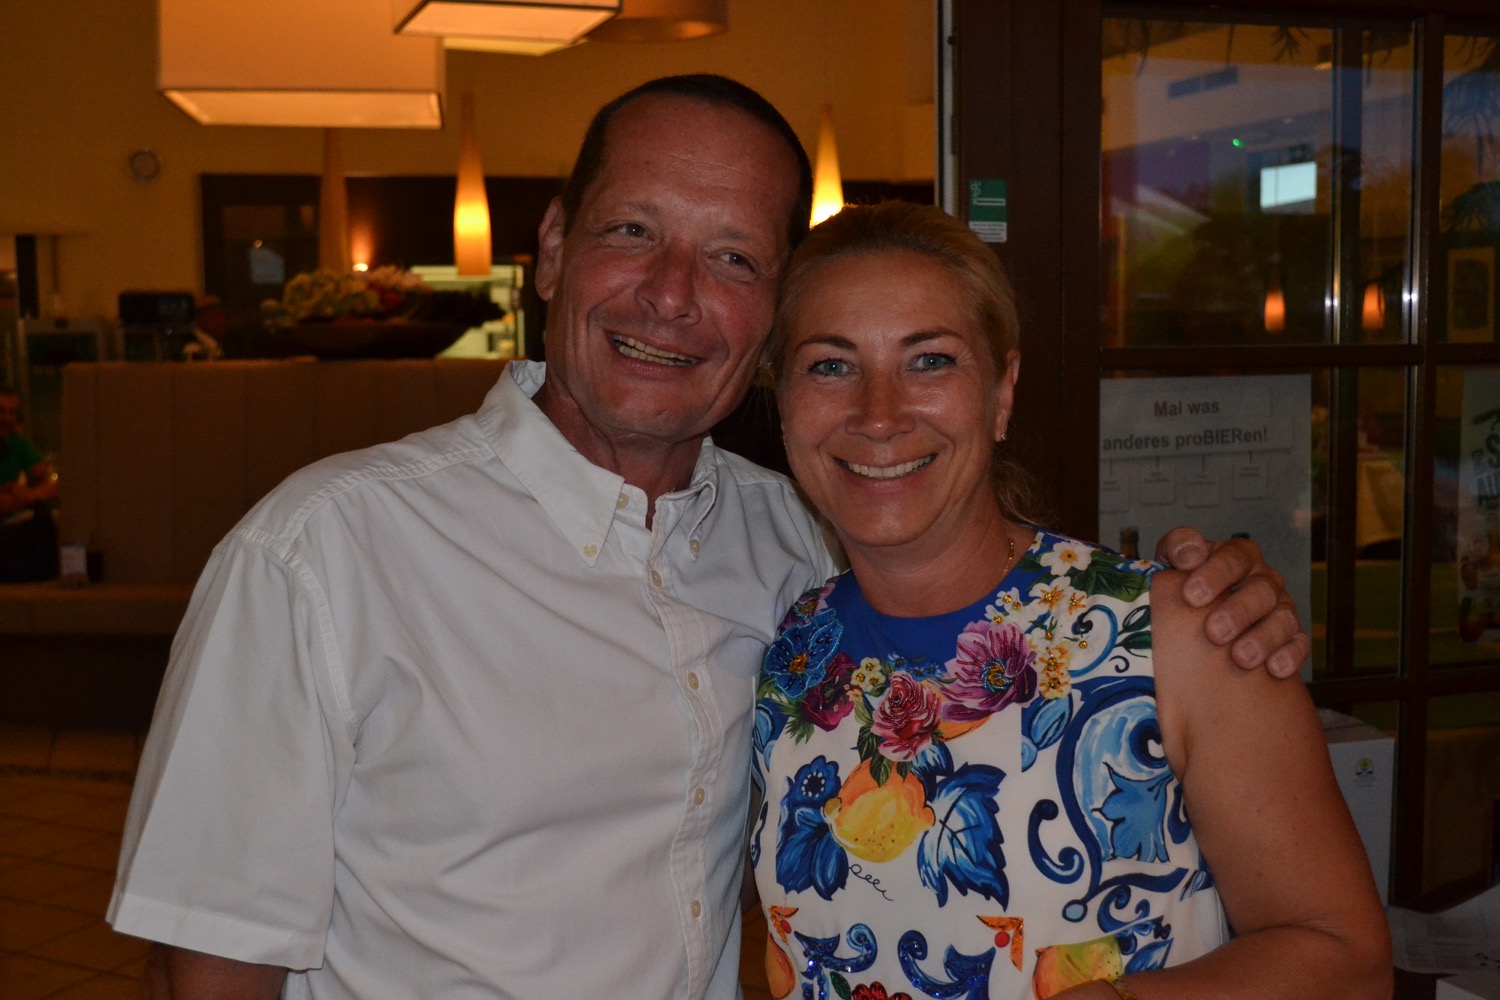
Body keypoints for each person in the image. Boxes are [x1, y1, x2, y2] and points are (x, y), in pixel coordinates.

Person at [109, 76, 1308, 999]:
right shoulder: (321, 557)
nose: (673, 294)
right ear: (552, 248)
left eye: (732, 256)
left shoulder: (798, 539)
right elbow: (208, 968)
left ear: (770, 315)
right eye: (634, 230)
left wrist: (1206, 605)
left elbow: (991, 592)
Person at [751, 201, 1390, 1000]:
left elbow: (1348, 960)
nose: (879, 414)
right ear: (783, 398)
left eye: (931, 361)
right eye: (830, 366)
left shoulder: (1179, 637)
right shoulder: (789, 648)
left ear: (1002, 392)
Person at [0, 385, 60, 582]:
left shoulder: (16, 443)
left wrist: (32, 494)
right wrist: (22, 497)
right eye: (1, 411)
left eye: (12, 413)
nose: (6, 418)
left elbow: (53, 482)